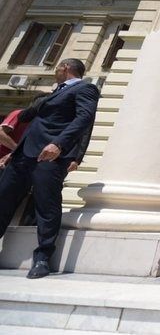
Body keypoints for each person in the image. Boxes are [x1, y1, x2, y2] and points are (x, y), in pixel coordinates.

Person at [0, 58, 99, 279]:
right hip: (23, 155)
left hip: (50, 155)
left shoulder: (85, 88)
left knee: (46, 205)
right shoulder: (54, 93)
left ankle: (42, 258)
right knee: (3, 198)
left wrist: (60, 144)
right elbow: (28, 118)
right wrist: (13, 151)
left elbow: (85, 119)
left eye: (57, 68)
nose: (55, 71)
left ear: (65, 68)